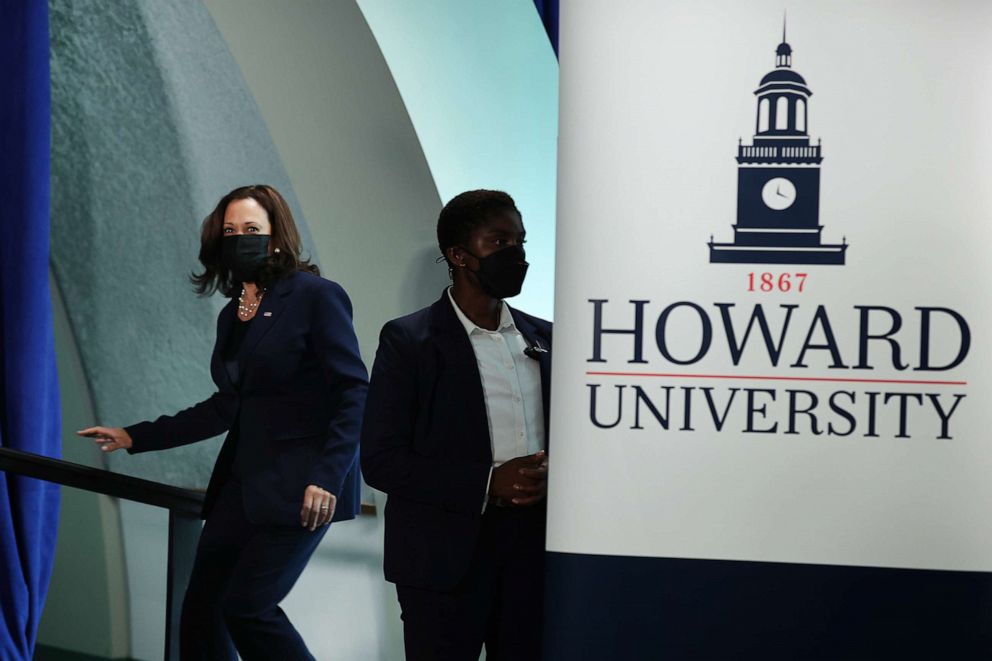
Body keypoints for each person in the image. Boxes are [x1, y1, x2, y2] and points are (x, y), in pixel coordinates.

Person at [78, 184, 368, 660]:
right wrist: (135, 436)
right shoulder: (233, 316)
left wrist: (326, 476)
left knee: (248, 608)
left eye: (251, 229)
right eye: (229, 230)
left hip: (303, 487)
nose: (239, 238)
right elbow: (225, 407)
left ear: (276, 237)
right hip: (242, 484)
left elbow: (354, 390)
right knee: (201, 612)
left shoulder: (316, 296)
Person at [361, 189, 553, 660]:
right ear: (458, 255)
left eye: (521, 241)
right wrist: (489, 483)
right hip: (441, 564)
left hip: (532, 560)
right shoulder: (410, 341)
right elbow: (381, 461)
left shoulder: (548, 338)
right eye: (500, 241)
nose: (517, 254)